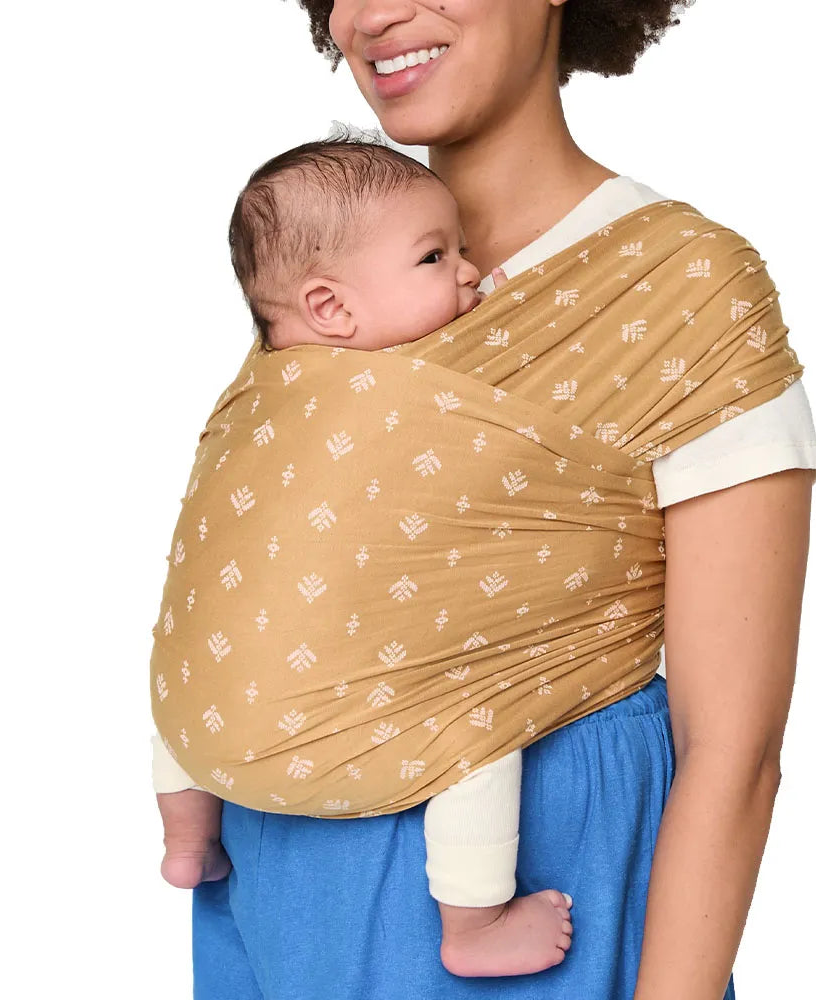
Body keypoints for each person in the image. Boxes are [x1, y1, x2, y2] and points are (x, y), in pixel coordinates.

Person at [188, 2, 816, 997]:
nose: (375, 13)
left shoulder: (681, 291)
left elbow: (732, 752)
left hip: (540, 898)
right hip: (278, 896)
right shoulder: (326, 272)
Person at [154, 136, 575, 978]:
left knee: (193, 663)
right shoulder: (400, 390)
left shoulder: (258, 392)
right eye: (434, 256)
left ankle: (188, 838)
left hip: (214, 728)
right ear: (332, 309)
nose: (471, 272)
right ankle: (474, 925)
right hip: (334, 711)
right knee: (480, 720)